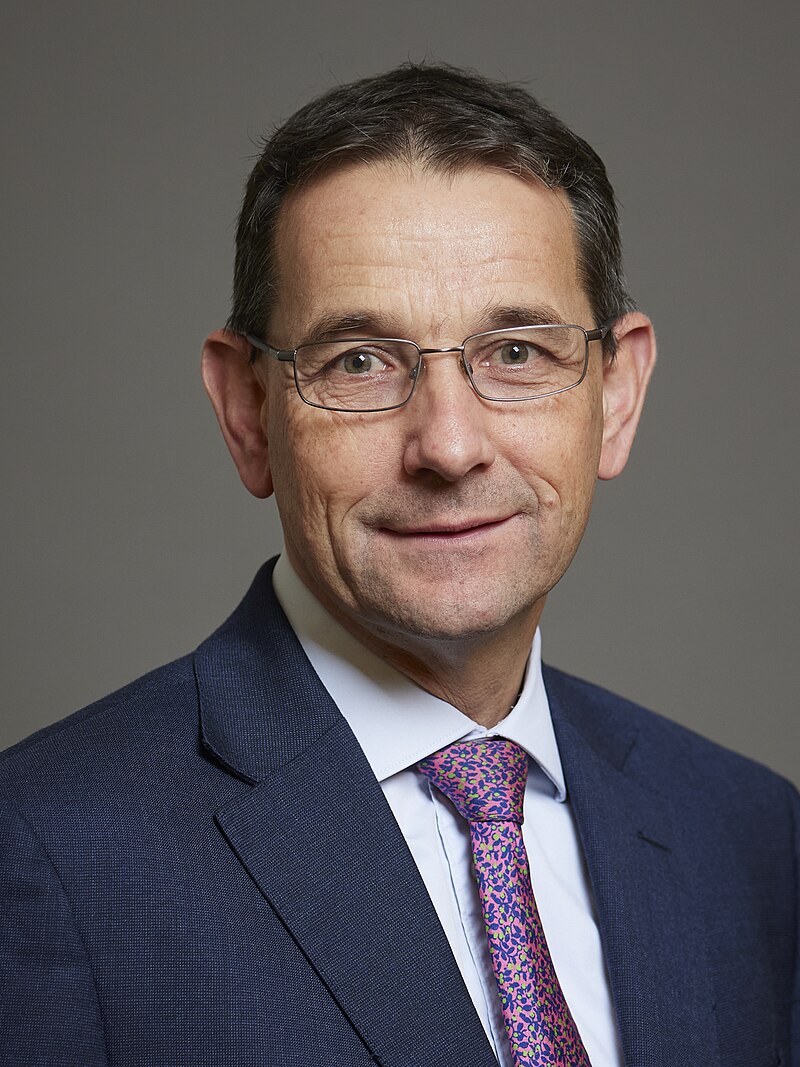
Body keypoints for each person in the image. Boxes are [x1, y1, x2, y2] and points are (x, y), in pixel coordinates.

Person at [0, 64, 795, 1067]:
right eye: (359, 361)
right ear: (246, 411)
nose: (449, 446)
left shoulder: (752, 834)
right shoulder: (46, 851)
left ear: (617, 393)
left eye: (516, 352)